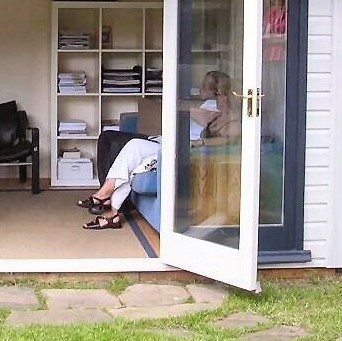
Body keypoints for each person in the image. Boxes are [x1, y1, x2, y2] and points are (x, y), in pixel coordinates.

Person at [78, 71, 238, 230]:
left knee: (126, 146)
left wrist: (199, 137)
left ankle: (105, 199)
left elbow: (224, 135)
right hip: (164, 141)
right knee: (123, 144)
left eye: (207, 87)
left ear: (220, 93)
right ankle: (108, 201)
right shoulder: (211, 108)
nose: (200, 88)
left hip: (177, 147)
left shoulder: (216, 111)